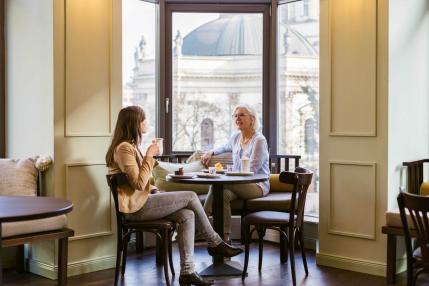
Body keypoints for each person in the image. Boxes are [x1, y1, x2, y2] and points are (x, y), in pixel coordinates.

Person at [106, 106, 242, 286]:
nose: (147, 123)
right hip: (136, 209)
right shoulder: (124, 148)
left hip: (144, 201)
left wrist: (154, 188)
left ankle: (187, 272)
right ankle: (215, 242)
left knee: (187, 215)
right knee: (191, 196)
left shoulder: (131, 146)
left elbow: (142, 182)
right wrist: (149, 155)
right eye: (144, 119)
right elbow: (138, 183)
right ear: (134, 123)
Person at [201, 104, 270, 242]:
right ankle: (225, 239)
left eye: (242, 115)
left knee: (217, 184)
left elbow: (252, 170)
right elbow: (225, 147)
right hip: (237, 183)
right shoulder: (236, 137)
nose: (238, 118)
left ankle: (201, 225)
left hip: (256, 185)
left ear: (252, 119)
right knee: (223, 195)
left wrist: (230, 175)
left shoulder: (259, 140)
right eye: (236, 115)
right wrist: (211, 152)